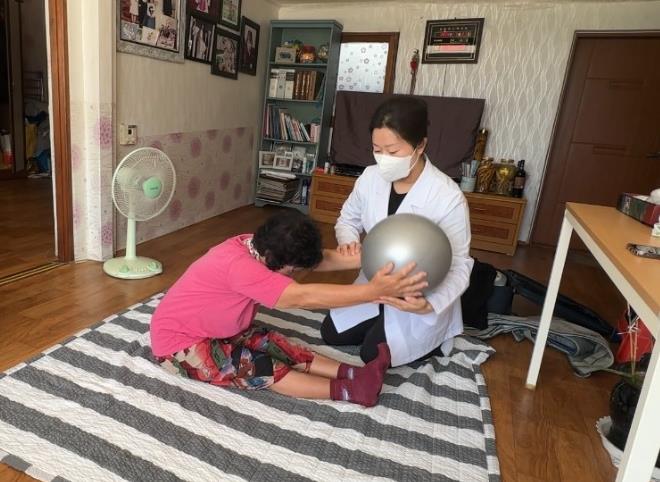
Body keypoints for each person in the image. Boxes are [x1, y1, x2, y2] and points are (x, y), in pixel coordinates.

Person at [150, 211, 427, 407]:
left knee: (275, 343)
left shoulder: (259, 245)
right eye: (292, 270)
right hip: (179, 344)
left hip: (220, 330)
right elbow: (302, 297)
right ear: (272, 259)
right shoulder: (241, 268)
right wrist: (373, 292)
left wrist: (379, 258)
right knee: (258, 366)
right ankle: (351, 390)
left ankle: (356, 372)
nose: (294, 274)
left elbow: (318, 260)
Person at [321, 96, 474, 367]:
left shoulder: (447, 195)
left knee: (372, 355)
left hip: (418, 294)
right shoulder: (370, 177)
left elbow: (460, 264)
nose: (384, 159)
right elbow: (347, 219)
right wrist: (349, 240)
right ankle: (379, 317)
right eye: (377, 150)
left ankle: (434, 337)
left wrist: (430, 305)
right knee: (331, 333)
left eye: (392, 152)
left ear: (420, 145)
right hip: (375, 281)